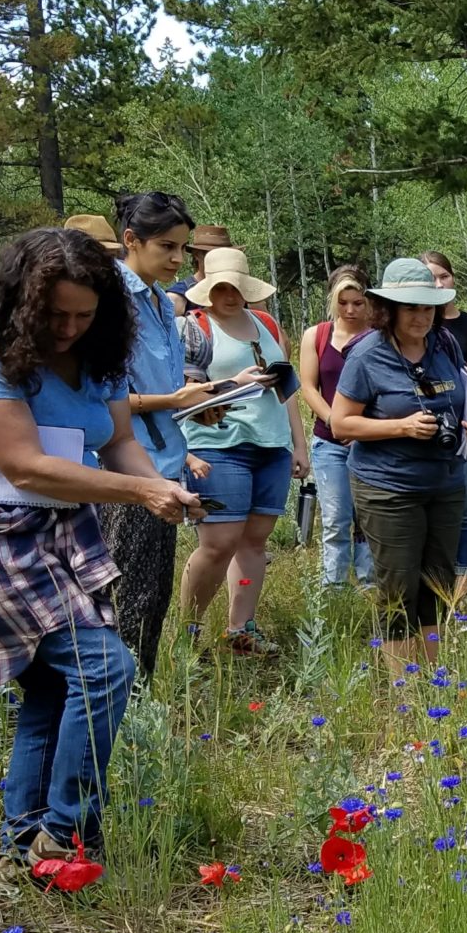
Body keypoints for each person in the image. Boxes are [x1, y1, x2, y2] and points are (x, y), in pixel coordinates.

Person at [0, 228, 202, 881]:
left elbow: (115, 443)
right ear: (24, 302)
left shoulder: (104, 347)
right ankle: (69, 830)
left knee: (52, 686)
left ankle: (26, 837)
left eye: (85, 315)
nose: (70, 328)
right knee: (104, 668)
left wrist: (158, 483)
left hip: (60, 524)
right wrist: (140, 489)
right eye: (56, 315)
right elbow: (24, 467)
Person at [329, 259, 467, 662]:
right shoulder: (367, 355)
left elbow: (463, 396)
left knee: (437, 582)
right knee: (399, 587)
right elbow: (340, 424)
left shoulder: (444, 344)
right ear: (389, 309)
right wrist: (401, 428)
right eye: (411, 307)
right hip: (388, 487)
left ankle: (433, 678)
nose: (421, 316)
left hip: (446, 481)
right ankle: (403, 690)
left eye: (427, 307)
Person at [102, 192, 215, 678]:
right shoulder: (109, 304)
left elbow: (159, 386)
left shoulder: (160, 304)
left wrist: (199, 404)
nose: (176, 259)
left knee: (152, 598)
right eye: (166, 247)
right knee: (128, 598)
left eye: (182, 249)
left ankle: (138, 699)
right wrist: (173, 402)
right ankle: (122, 707)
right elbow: (97, 399)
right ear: (131, 240)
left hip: (164, 463)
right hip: (126, 471)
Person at [177, 247, 309, 657]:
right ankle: (188, 633)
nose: (231, 294)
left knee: (255, 540)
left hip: (271, 444)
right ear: (206, 288)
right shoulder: (194, 328)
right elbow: (183, 397)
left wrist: (298, 444)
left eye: (237, 287)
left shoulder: (264, 322)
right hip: (218, 444)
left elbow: (286, 388)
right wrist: (233, 383)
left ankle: (241, 630)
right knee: (219, 542)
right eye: (222, 287)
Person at [421, 251, 467, 600]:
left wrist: (451, 370)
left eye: (443, 276)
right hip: (426, 429)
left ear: (453, 278)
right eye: (430, 278)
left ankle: (462, 590)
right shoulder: (420, 325)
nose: (438, 283)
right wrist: (465, 366)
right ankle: (430, 581)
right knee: (427, 506)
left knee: (464, 509)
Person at [298, 267, 375, 588]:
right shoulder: (316, 336)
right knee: (335, 520)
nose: (350, 310)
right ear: (333, 301)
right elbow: (308, 387)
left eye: (358, 302)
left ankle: (370, 586)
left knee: (368, 520)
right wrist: (336, 422)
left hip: (372, 442)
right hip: (329, 443)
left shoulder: (378, 336)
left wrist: (360, 429)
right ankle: (333, 590)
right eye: (343, 302)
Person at [167, 223, 233, 317]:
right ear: (197, 254)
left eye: (225, 254)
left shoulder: (240, 293)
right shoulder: (178, 297)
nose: (220, 259)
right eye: (211, 254)